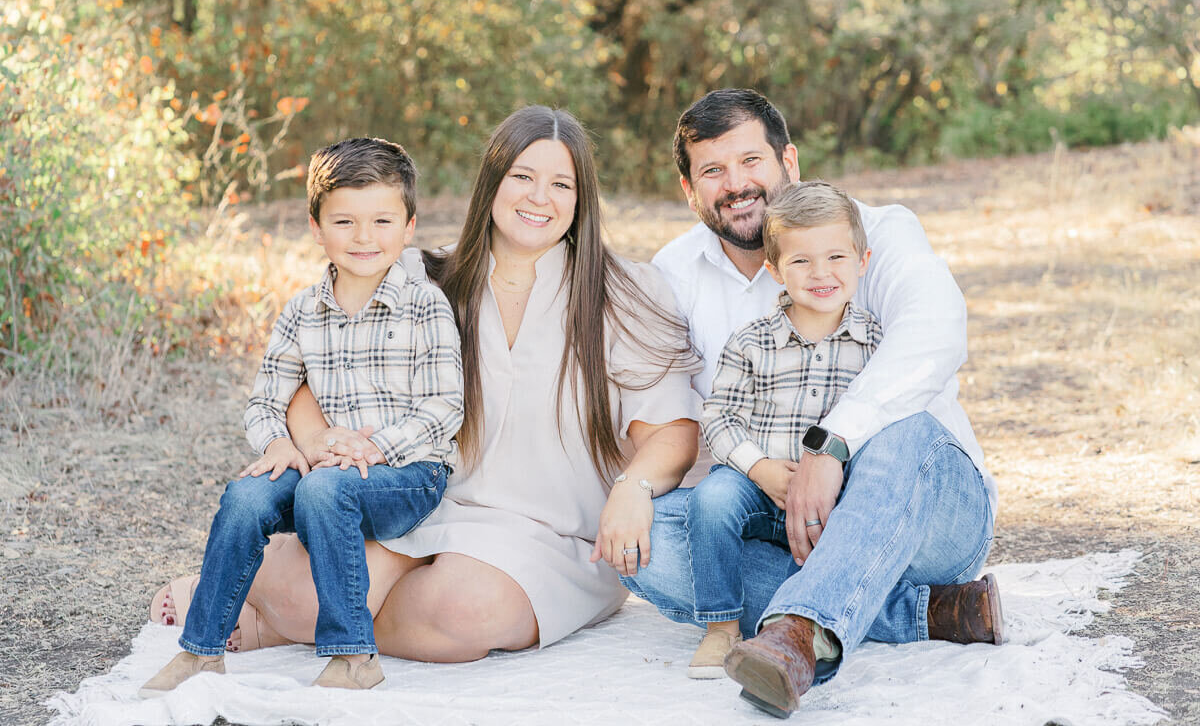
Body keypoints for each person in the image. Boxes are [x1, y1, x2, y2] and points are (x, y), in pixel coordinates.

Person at [147, 106, 703, 668]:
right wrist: (321, 444)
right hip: (422, 501)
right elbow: (302, 371)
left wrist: (633, 487)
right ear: (491, 182)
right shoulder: (421, 277)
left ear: (582, 199)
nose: (540, 197)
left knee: (459, 612)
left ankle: (283, 625)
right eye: (522, 177)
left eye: (561, 183)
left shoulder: (627, 293)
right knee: (301, 588)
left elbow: (672, 433)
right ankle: (294, 610)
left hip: (552, 537)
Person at [621, 89, 1003, 718]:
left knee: (905, 429)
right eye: (713, 171)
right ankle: (924, 610)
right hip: (786, 523)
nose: (737, 185)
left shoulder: (873, 233)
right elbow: (682, 417)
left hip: (924, 518)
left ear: (789, 163)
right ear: (689, 190)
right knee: (647, 541)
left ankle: (799, 636)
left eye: (751, 162)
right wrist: (650, 486)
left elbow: (937, 329)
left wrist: (832, 447)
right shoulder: (675, 273)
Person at [141, 138, 465, 696]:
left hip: (407, 474)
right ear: (316, 227)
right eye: (345, 221)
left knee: (322, 490)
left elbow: (444, 407)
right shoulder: (301, 311)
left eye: (383, 220)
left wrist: (375, 446)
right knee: (246, 496)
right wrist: (278, 446)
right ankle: (202, 652)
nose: (364, 237)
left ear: (409, 227)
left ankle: (354, 655)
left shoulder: (425, 304)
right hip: (324, 467)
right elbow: (267, 400)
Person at [684, 180, 884, 679]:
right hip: (759, 486)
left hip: (832, 507)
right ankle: (721, 626)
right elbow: (719, 414)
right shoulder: (753, 342)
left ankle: (812, 624)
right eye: (801, 261)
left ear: (863, 260)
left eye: (837, 257)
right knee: (707, 502)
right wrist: (761, 467)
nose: (821, 273)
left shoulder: (876, 343)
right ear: (774, 270)